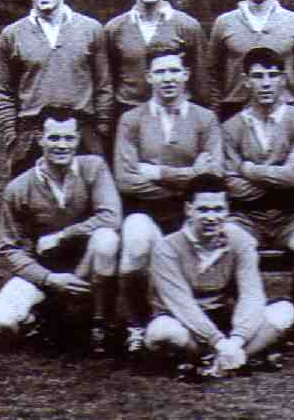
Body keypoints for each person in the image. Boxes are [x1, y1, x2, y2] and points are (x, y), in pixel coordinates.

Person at [113, 45, 223, 357]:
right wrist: (189, 177)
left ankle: (197, 321)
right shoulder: (131, 120)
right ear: (149, 76)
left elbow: (213, 177)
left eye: (174, 70)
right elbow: (126, 179)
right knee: (135, 242)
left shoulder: (205, 119)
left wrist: (158, 172)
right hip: (145, 209)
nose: (168, 78)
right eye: (160, 71)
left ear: (186, 75)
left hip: (192, 213)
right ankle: (136, 324)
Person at [0, 106, 122, 356]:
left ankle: (99, 321)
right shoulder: (18, 188)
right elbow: (10, 248)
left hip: (86, 266)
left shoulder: (93, 167)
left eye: (69, 138)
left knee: (106, 238)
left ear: (78, 139)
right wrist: (48, 279)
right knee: (4, 323)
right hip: (46, 271)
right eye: (54, 138)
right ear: (40, 138)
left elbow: (111, 217)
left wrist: (63, 235)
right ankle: (48, 319)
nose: (62, 145)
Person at [145, 174, 294, 381]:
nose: (211, 217)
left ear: (227, 210)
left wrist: (236, 340)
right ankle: (230, 357)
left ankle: (225, 360)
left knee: (286, 311)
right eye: (203, 209)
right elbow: (182, 305)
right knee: (161, 331)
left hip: (225, 320)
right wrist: (218, 341)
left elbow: (251, 295)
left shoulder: (240, 240)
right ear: (188, 209)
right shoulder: (167, 247)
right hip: (184, 321)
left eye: (218, 209)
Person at [221, 47, 294, 338]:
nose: (265, 83)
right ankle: (238, 313)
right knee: (227, 241)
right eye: (258, 76)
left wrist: (251, 170)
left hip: (293, 213)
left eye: (272, 76)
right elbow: (230, 181)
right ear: (246, 81)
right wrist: (278, 177)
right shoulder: (231, 127)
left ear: (283, 79)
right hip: (246, 215)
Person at [0, 0, 112, 176]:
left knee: (85, 203)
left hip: (82, 133)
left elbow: (104, 86)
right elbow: (4, 92)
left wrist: (102, 129)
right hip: (31, 136)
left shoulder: (90, 29)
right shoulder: (11, 35)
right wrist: (12, 135)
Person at [102, 0, 208, 121]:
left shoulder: (188, 26)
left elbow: (201, 84)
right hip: (129, 114)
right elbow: (108, 82)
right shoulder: (114, 29)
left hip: (176, 115)